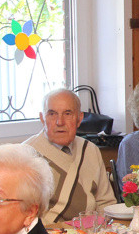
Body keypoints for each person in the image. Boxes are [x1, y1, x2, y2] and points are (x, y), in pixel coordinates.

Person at [24, 88, 116, 222]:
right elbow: (22, 214)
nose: (59, 122)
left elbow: (106, 203)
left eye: (67, 113)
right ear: (42, 118)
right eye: (52, 114)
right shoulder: (26, 155)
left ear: (79, 119)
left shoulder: (90, 150)